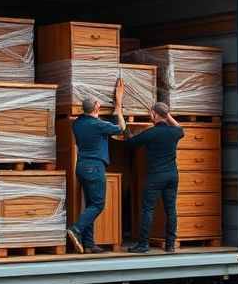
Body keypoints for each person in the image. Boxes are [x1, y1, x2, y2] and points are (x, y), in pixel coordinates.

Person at [118, 94, 184, 253]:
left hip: (156, 176)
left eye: (151, 113)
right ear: (166, 116)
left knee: (148, 209)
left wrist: (121, 119)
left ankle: (143, 244)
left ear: (154, 114)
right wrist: (166, 114)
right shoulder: (174, 133)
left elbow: (130, 143)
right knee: (171, 210)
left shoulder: (150, 133)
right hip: (172, 176)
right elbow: (181, 129)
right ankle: (170, 245)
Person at [65, 83, 125, 254]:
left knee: (90, 204)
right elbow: (121, 128)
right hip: (95, 167)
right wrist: (119, 104)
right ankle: (76, 229)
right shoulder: (98, 126)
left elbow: (93, 120)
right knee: (98, 204)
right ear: (97, 107)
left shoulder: (78, 123)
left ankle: (89, 243)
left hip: (82, 166)